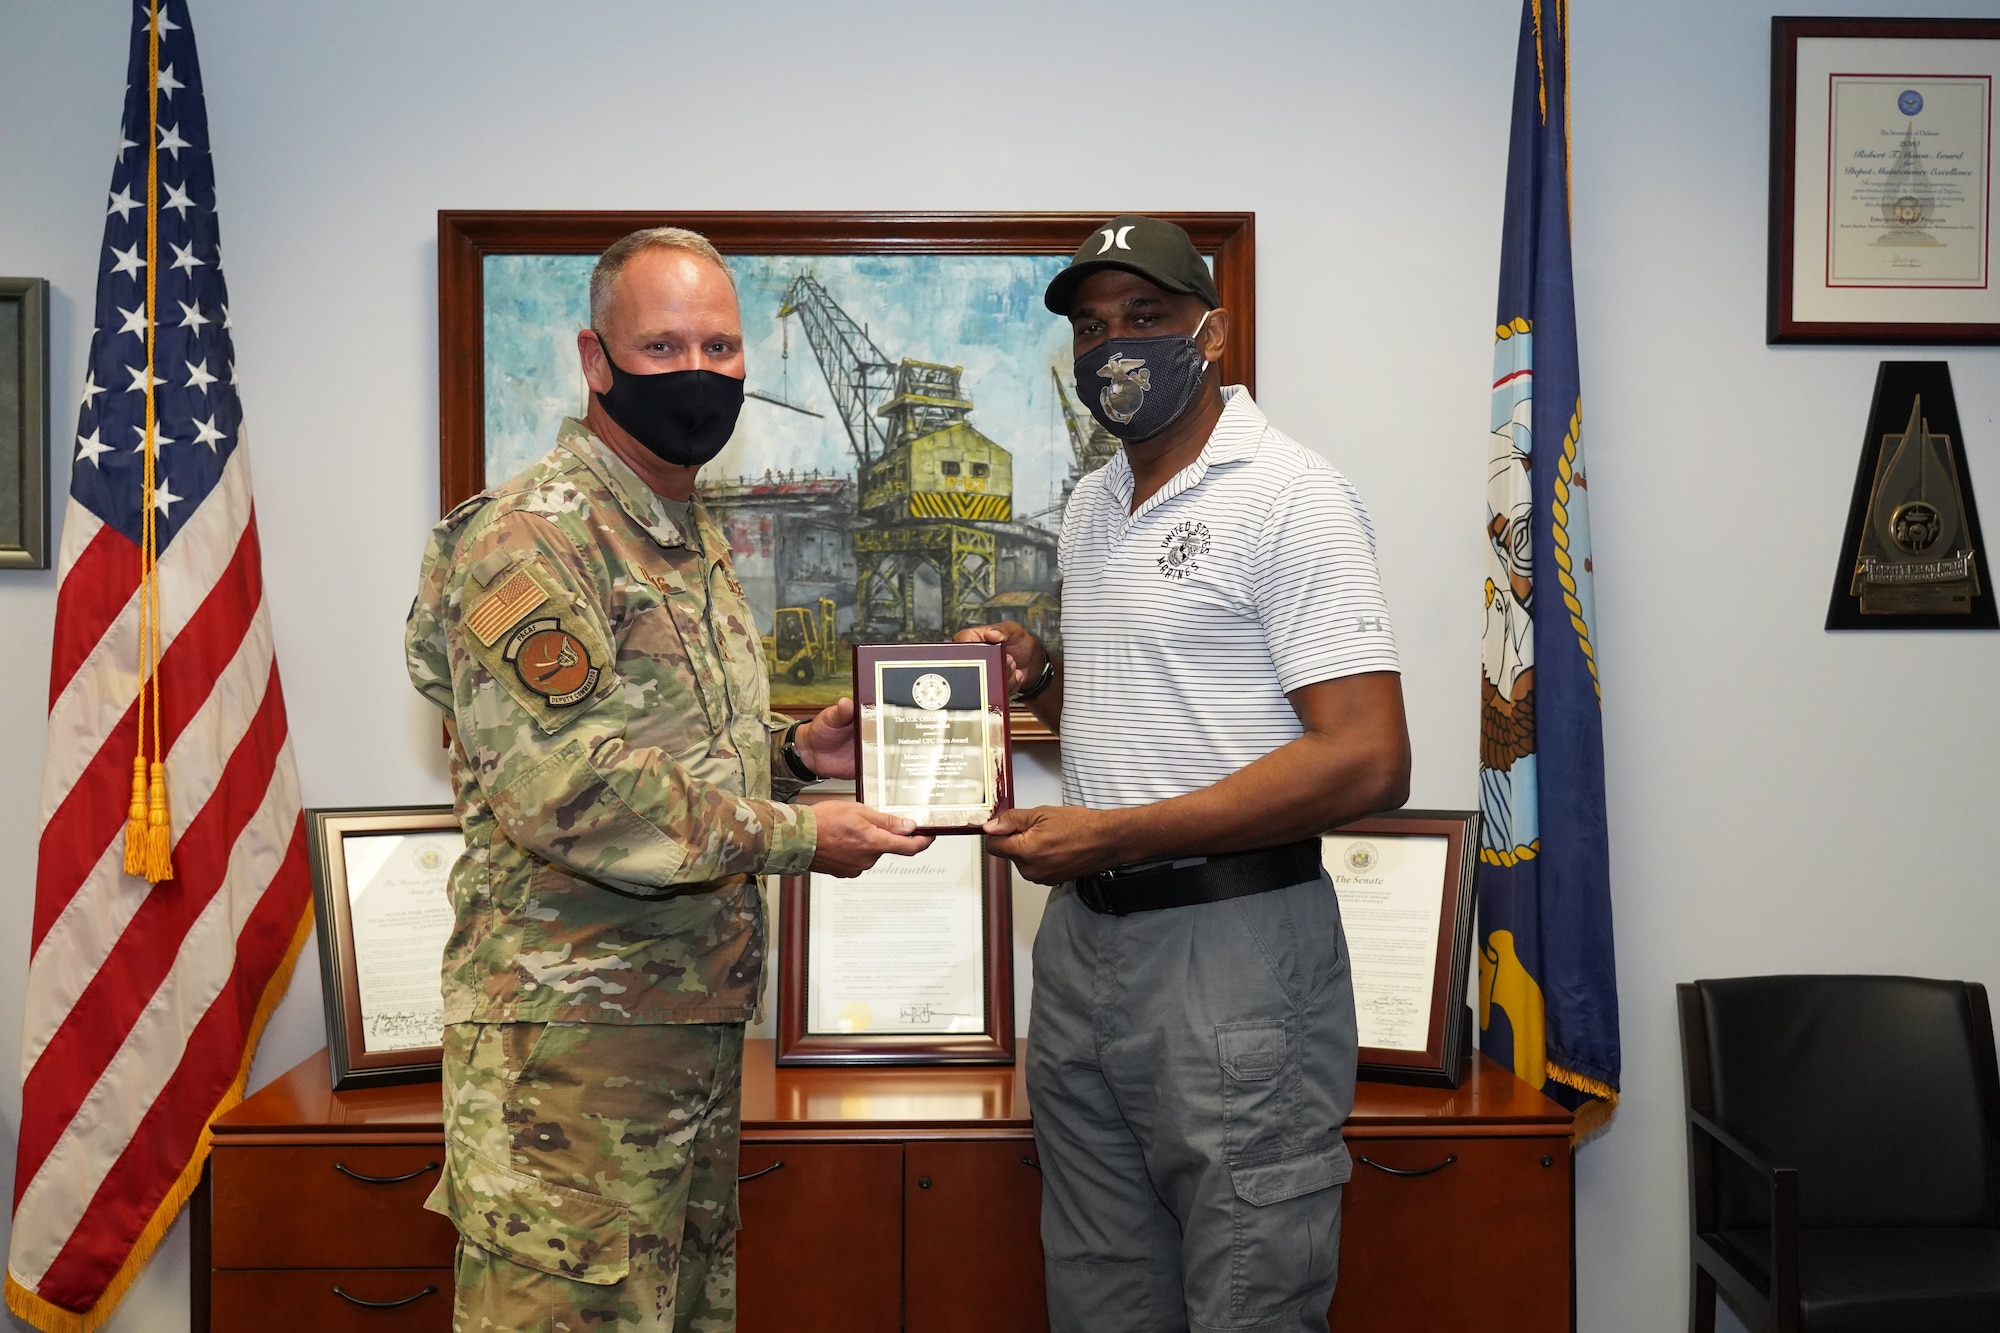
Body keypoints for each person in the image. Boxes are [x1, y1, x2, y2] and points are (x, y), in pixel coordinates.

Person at [405, 226, 930, 1333]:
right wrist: (798, 834)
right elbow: (570, 791)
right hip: (566, 1068)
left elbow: (662, 748)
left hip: (677, 1045)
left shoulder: (679, 535)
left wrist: (794, 759)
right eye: (661, 345)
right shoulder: (529, 538)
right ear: (595, 362)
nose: (698, 373)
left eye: (721, 346)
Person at [958, 215, 1411, 1333]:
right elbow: (1133, 713)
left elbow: (1369, 756)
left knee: (1249, 1296)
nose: (1114, 346)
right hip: (1084, 955)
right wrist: (1038, 672)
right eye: (1091, 326)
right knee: (1099, 1288)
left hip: (1236, 952)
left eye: (1145, 318)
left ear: (1211, 330)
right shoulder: (1090, 502)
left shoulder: (1288, 494)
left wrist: (1112, 835)